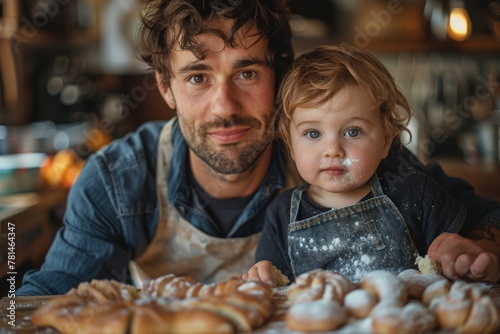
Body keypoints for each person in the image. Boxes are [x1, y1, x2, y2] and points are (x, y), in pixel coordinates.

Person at [16, 0, 500, 296]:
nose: (224, 106)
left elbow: (489, 222)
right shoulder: (119, 180)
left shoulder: (350, 154)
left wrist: (478, 250)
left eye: (247, 73)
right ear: (165, 87)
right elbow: (48, 299)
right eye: (197, 77)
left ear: (279, 76)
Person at [243, 45, 500, 284]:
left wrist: (468, 259)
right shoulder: (282, 215)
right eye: (312, 134)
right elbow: (275, 286)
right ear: (290, 144)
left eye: (353, 132)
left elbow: (469, 257)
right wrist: (263, 275)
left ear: (386, 141)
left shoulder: (417, 194)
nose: (333, 150)